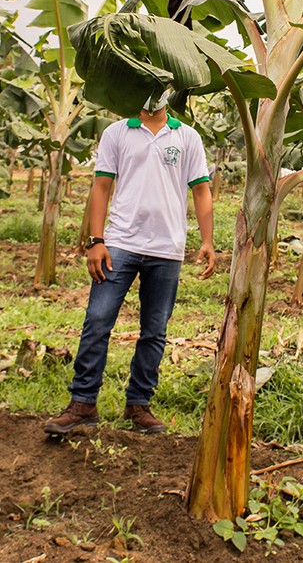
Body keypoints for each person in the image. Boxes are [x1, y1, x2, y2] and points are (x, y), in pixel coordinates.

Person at [44, 92, 217, 435]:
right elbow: (101, 186)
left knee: (155, 330)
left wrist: (208, 241)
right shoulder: (117, 132)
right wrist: (96, 241)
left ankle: (139, 405)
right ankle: (83, 402)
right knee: (97, 320)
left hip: (167, 247)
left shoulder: (187, 137)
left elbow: (200, 190)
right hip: (120, 243)